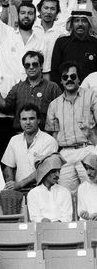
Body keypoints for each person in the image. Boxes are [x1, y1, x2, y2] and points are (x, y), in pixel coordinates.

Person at [46, 61, 97, 193]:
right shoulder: (54, 105)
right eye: (65, 77)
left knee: (92, 192)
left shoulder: (92, 96)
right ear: (61, 81)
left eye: (73, 76)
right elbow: (53, 135)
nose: (69, 79)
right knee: (66, 195)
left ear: (79, 78)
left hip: (87, 150)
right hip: (65, 154)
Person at [0, 50, 61, 133]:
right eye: (27, 65)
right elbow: (5, 107)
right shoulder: (17, 88)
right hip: (20, 135)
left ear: (41, 66)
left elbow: (61, 113)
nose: (31, 67)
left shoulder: (52, 87)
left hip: (45, 135)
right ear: (24, 67)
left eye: (35, 64)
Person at [2, 103, 59, 193]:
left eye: (31, 118)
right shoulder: (14, 140)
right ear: (20, 121)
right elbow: (8, 166)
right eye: (24, 119)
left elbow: (45, 169)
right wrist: (11, 187)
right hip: (19, 192)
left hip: (42, 190)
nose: (27, 122)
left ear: (39, 120)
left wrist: (20, 184)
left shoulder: (49, 141)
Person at [50, 11, 97, 85]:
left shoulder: (95, 43)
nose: (80, 24)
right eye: (77, 21)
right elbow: (55, 71)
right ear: (71, 24)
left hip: (91, 92)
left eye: (84, 21)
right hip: (66, 90)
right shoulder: (61, 42)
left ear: (89, 24)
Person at [27, 153, 73, 222]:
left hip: (62, 229)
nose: (57, 175)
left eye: (59, 171)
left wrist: (59, 222)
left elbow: (68, 216)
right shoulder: (33, 193)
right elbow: (34, 217)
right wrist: (42, 220)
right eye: (54, 171)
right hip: (41, 229)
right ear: (45, 172)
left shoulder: (65, 192)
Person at [32, 0, 68, 78]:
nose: (48, 12)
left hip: (53, 75)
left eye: (52, 9)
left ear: (57, 12)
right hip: (32, 73)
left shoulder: (62, 33)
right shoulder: (32, 29)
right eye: (46, 8)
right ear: (40, 10)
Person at [78, 153, 97, 220]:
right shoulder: (83, 187)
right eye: (86, 168)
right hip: (89, 225)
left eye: (92, 169)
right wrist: (84, 215)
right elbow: (81, 211)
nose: (88, 173)